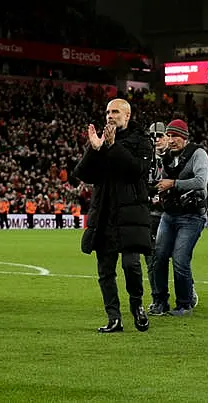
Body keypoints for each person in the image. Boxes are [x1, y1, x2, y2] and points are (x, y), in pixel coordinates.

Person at [73, 98, 152, 333]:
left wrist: (113, 146)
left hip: (130, 213)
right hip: (104, 212)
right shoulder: (102, 142)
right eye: (107, 111)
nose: (109, 115)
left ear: (127, 116)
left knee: (131, 264)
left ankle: (137, 305)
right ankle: (113, 318)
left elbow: (136, 171)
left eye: (115, 112)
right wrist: (95, 149)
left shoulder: (141, 141)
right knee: (105, 270)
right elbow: (83, 173)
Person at [152, 119, 208, 317]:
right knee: (158, 257)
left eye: (176, 136)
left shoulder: (198, 154)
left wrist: (173, 184)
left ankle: (184, 304)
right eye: (169, 136)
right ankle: (159, 301)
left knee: (180, 259)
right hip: (169, 214)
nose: (172, 140)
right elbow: (158, 180)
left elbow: (201, 182)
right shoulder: (165, 156)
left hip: (192, 216)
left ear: (184, 137)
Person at [145, 121, 169, 315]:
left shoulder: (175, 158)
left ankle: (187, 289)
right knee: (152, 259)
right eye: (153, 137)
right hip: (149, 215)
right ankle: (158, 299)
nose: (157, 140)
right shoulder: (143, 160)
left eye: (160, 136)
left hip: (171, 215)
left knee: (178, 259)